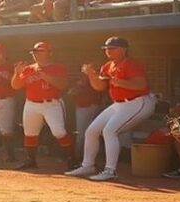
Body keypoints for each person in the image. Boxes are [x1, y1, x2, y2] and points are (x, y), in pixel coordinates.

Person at [66, 37, 156, 181]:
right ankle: (88, 165)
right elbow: (99, 87)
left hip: (139, 101)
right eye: (107, 48)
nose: (108, 51)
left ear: (123, 49)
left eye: (112, 48)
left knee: (109, 131)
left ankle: (110, 170)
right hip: (119, 104)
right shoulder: (107, 66)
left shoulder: (131, 64)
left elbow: (141, 85)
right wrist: (91, 75)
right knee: (92, 131)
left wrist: (117, 81)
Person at [11, 42, 73, 170]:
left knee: (59, 132)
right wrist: (17, 73)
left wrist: (45, 76)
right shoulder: (28, 68)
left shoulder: (57, 67)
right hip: (31, 104)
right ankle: (31, 161)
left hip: (52, 103)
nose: (35, 53)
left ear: (49, 53)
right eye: (34, 51)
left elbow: (63, 85)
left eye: (39, 51)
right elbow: (16, 86)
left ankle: (72, 159)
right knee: (30, 133)